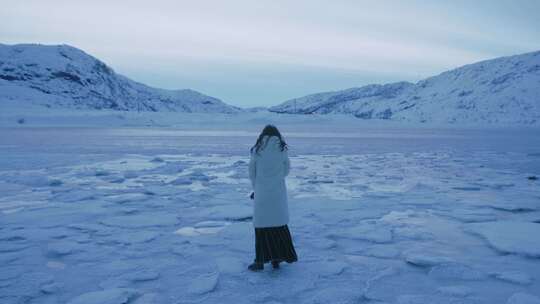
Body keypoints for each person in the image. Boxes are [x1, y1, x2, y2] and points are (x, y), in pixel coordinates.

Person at [248, 124, 298, 271]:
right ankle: (277, 258)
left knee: (262, 226)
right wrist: (276, 179)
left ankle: (260, 261)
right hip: (277, 192)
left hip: (262, 192)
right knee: (278, 225)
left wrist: (257, 187)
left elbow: (252, 172)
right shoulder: (281, 149)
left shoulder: (257, 149)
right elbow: (287, 169)